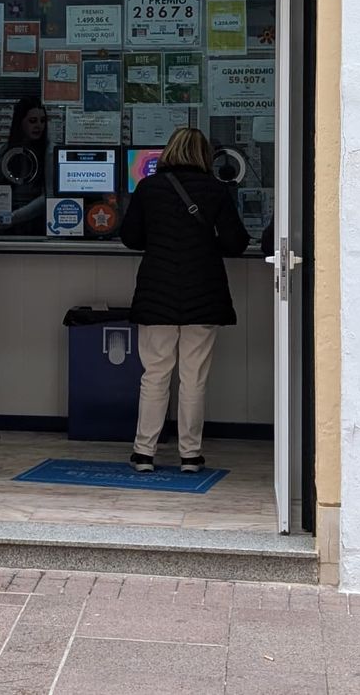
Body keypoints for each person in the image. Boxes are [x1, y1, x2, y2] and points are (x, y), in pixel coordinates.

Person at [120, 126, 250, 473]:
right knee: (193, 378)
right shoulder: (216, 191)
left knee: (155, 373)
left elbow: (130, 238)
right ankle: (190, 455)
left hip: (157, 292)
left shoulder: (148, 189)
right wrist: (207, 245)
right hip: (203, 294)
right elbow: (237, 241)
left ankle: (144, 452)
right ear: (205, 156)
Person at [0, 96, 51, 234]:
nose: (39, 126)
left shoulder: (48, 152)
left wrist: (13, 218)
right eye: (32, 121)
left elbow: (49, 197)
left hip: (36, 223)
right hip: (5, 222)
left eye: (43, 121)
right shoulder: (3, 151)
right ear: (20, 122)